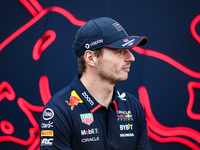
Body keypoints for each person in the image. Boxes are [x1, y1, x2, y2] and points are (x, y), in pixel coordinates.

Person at [40, 17, 152, 150]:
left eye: (129, 50)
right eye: (119, 51)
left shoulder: (133, 107)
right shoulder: (59, 111)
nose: (131, 58)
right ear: (91, 58)